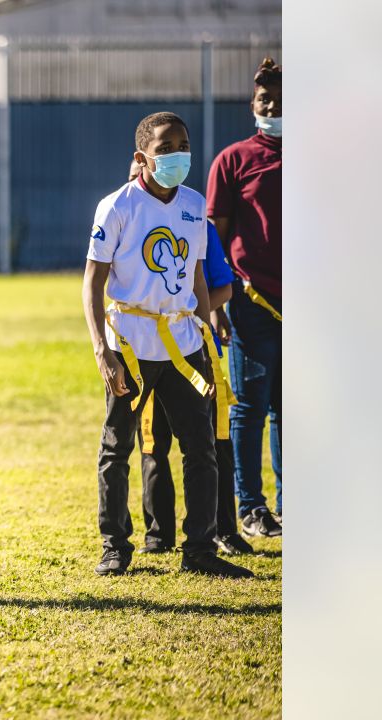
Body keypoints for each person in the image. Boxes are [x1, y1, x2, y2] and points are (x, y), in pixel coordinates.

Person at [81, 111, 253, 578]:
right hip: (133, 347)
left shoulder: (195, 204)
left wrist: (206, 329)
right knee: (117, 450)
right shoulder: (116, 207)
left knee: (201, 447)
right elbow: (92, 285)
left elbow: (197, 276)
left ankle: (200, 549)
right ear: (142, 157)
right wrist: (103, 349)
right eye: (166, 148)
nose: (178, 155)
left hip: (183, 345)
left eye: (183, 144)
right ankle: (115, 546)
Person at [129, 161, 254, 557]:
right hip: (145, 352)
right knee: (152, 444)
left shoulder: (194, 218)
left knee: (210, 442)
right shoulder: (124, 215)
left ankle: (221, 531)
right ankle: (157, 535)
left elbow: (219, 286)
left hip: (192, 351)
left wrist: (190, 313)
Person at [208, 58, 283, 537]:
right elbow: (215, 238)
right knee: (250, 405)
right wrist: (217, 305)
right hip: (252, 302)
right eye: (265, 99)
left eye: (281, 98)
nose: (274, 106)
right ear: (253, 104)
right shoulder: (233, 159)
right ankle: (251, 507)